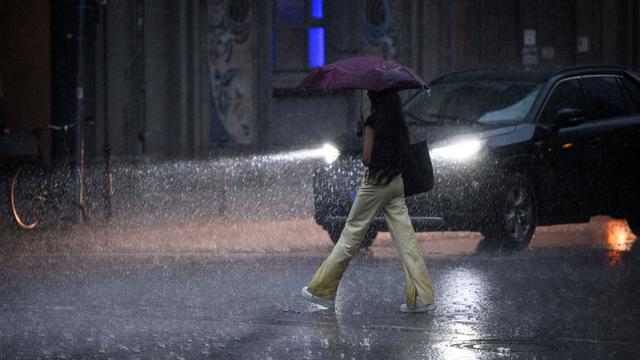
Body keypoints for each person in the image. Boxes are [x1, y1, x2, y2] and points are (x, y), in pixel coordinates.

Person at [301, 89, 436, 313]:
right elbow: (398, 151)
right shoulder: (400, 123)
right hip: (396, 183)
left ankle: (322, 291)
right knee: (406, 241)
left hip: (375, 184)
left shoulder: (373, 121)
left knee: (350, 235)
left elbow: (366, 159)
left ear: (374, 99)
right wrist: (367, 133)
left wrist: (366, 133)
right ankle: (423, 298)